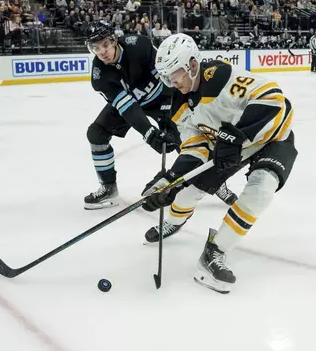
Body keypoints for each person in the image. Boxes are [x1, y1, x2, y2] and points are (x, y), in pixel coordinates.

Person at [141, 33, 298, 294]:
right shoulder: (179, 104)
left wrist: (239, 135)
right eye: (166, 76)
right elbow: (195, 147)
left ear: (192, 64)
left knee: (261, 190)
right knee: (190, 189)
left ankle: (216, 249)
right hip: (228, 146)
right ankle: (176, 220)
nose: (171, 81)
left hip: (272, 136)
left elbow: (274, 100)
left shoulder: (221, 76)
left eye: (174, 73)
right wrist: (171, 180)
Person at [83, 20, 180, 209]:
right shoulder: (99, 77)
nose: (102, 52)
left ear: (114, 40)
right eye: (96, 48)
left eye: (105, 45)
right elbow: (127, 106)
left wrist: (169, 113)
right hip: (133, 104)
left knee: (184, 140)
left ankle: (209, 180)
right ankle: (108, 187)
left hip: (163, 98)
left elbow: (167, 75)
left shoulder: (140, 45)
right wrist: (149, 132)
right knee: (96, 133)